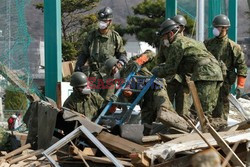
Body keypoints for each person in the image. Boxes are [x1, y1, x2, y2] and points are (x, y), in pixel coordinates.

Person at [152, 19, 223, 125]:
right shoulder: (190, 41)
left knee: (201, 111)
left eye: (164, 36)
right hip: (215, 72)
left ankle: (199, 136)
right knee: (203, 110)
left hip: (206, 74)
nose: (163, 39)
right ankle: (206, 132)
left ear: (171, 33)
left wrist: (155, 71)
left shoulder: (177, 44)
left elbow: (170, 68)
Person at [204, 14, 248, 121]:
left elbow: (241, 66)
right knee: (207, 105)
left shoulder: (233, 47)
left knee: (222, 106)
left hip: (225, 82)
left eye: (218, 27)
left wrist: (240, 86)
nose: (215, 29)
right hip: (209, 81)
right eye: (215, 26)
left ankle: (221, 123)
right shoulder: (207, 44)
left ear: (225, 28)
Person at [74, 6, 127, 93]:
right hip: (93, 76)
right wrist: (78, 68)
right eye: (100, 21)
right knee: (92, 101)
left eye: (104, 21)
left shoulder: (115, 37)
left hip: (109, 76)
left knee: (108, 103)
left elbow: (122, 54)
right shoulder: (91, 36)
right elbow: (84, 54)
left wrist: (120, 63)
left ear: (110, 22)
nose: (102, 23)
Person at [156, 15, 191, 116]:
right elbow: (160, 59)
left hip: (183, 79)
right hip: (168, 79)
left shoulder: (186, 43)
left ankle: (184, 127)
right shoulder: (165, 41)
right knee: (166, 106)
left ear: (182, 28)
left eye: (179, 27)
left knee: (184, 109)